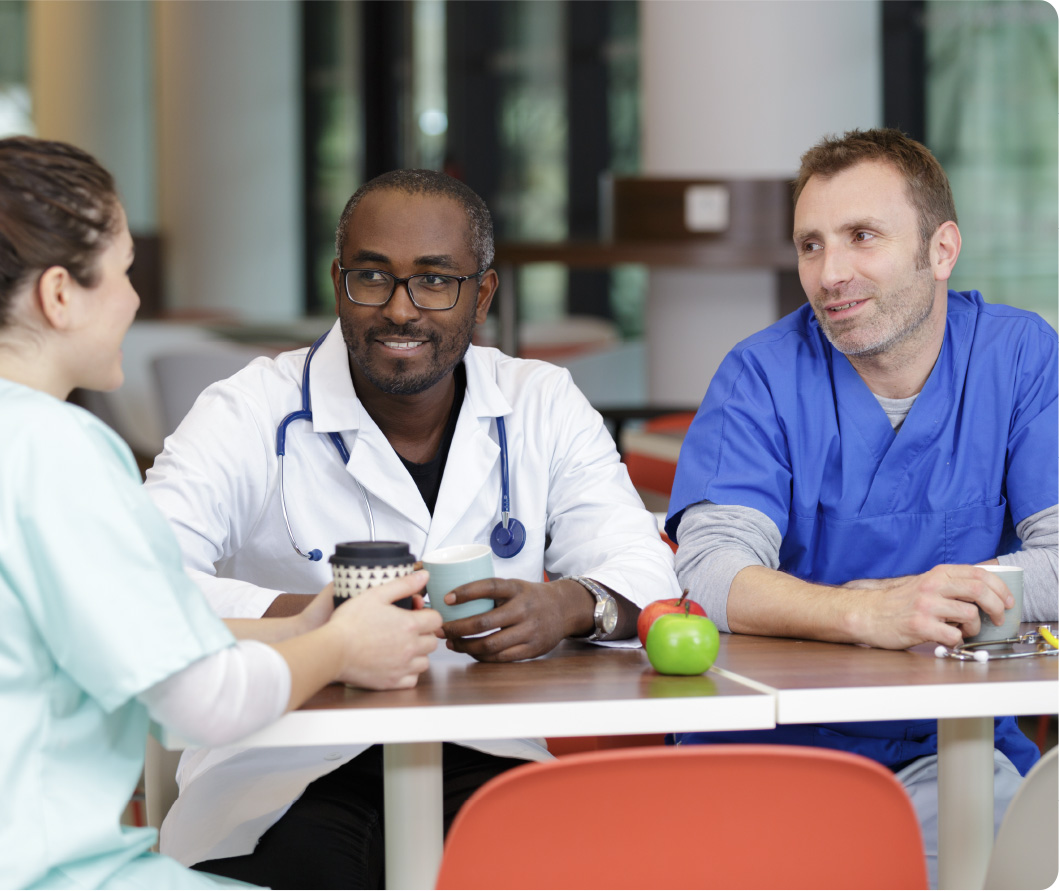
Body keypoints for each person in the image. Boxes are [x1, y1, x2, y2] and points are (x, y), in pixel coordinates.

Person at [144, 168, 679, 888]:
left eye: (434, 281)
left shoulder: (539, 403)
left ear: (481, 294)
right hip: (280, 760)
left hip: (483, 753)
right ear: (338, 283)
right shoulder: (248, 410)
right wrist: (315, 624)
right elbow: (141, 578)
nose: (401, 309)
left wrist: (568, 603)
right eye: (372, 277)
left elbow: (641, 563)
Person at [0, 136, 442, 891]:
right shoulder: (59, 451)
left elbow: (115, 625)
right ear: (59, 294)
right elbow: (203, 699)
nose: (136, 300)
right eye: (124, 271)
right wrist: (340, 649)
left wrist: (301, 628)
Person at [666, 128, 1058, 887]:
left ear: (941, 250)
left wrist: (934, 597)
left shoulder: (1020, 357)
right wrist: (868, 613)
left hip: (956, 745)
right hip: (769, 745)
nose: (830, 273)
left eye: (862, 237)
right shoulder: (761, 374)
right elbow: (713, 571)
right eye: (810, 245)